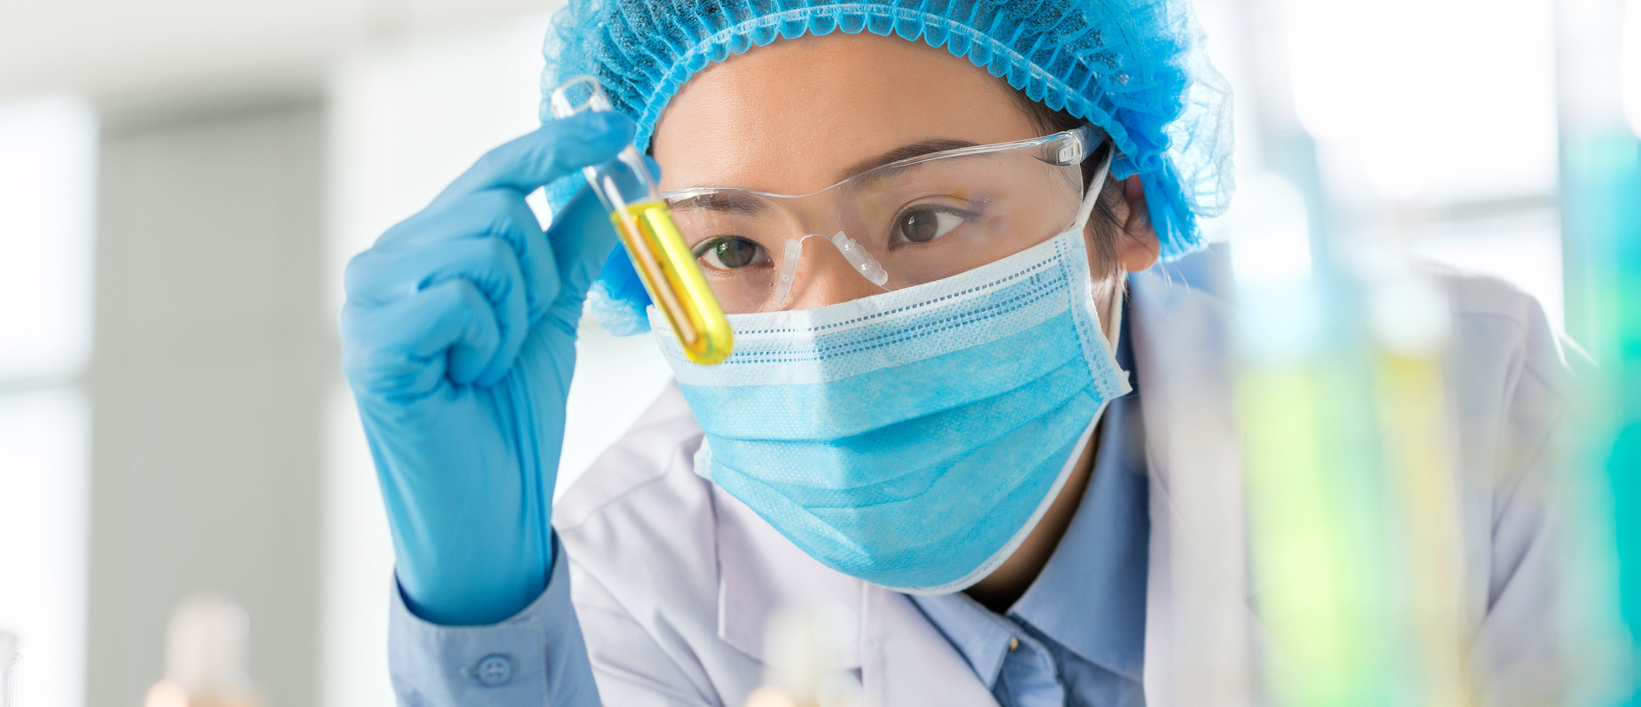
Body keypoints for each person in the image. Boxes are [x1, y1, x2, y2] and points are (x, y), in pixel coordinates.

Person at [340, 0, 1568, 704]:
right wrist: (482, 621)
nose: (817, 325)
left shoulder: (1446, 404)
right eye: (729, 251)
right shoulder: (640, 585)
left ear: (1124, 202)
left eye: (917, 219)